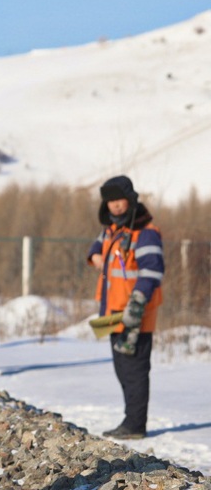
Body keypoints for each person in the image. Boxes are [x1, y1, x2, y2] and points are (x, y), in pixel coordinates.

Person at [86, 175, 164, 440]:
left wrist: (138, 301)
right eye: (110, 201)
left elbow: (152, 270)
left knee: (134, 370)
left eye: (119, 200)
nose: (115, 206)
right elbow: (97, 246)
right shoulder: (112, 229)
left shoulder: (145, 232)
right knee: (121, 369)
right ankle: (130, 421)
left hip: (134, 313)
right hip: (111, 313)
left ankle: (135, 425)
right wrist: (94, 255)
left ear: (130, 200)